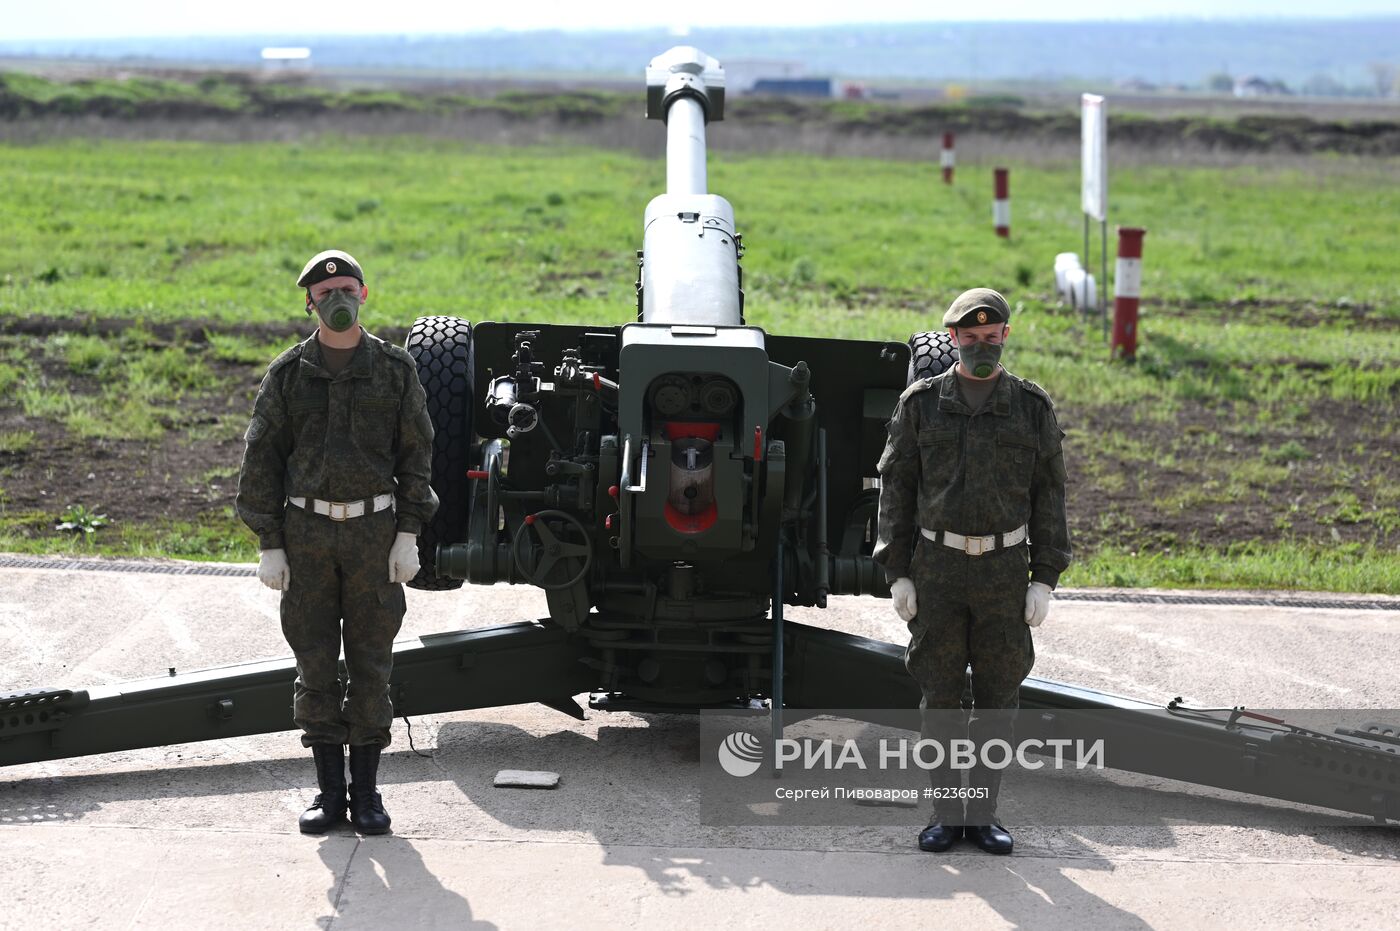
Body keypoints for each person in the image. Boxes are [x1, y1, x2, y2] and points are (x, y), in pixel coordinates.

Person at [236, 249, 438, 836]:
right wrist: (269, 541)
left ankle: (368, 796)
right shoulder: (287, 375)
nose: (337, 299)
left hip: (376, 536)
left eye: (346, 288)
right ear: (310, 302)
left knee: (373, 663)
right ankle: (329, 796)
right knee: (316, 663)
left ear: (365, 295)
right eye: (325, 294)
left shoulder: (396, 370)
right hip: (307, 536)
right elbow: (261, 462)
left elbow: (417, 455)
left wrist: (409, 532)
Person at [874, 288, 1070, 855]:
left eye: (991, 338)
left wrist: (1044, 577)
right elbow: (897, 488)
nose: (980, 347)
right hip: (936, 569)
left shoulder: (1032, 407)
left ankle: (981, 817)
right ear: (952, 339)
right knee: (938, 697)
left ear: (1004, 336)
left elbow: (1050, 495)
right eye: (969, 338)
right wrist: (898, 571)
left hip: (1005, 572)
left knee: (997, 699)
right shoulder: (921, 404)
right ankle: (944, 815)